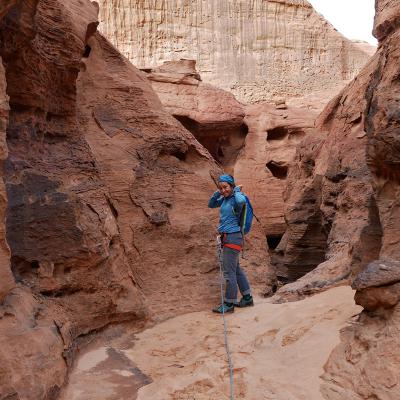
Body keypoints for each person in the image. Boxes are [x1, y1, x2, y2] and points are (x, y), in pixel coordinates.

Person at [208, 174, 254, 313]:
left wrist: (237, 191)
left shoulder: (235, 198)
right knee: (236, 269)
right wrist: (219, 191)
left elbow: (241, 202)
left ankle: (229, 304)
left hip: (233, 237)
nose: (223, 190)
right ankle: (247, 298)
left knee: (229, 273)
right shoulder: (224, 200)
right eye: (221, 188)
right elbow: (210, 204)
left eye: (225, 187)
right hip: (228, 237)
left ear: (232, 186)